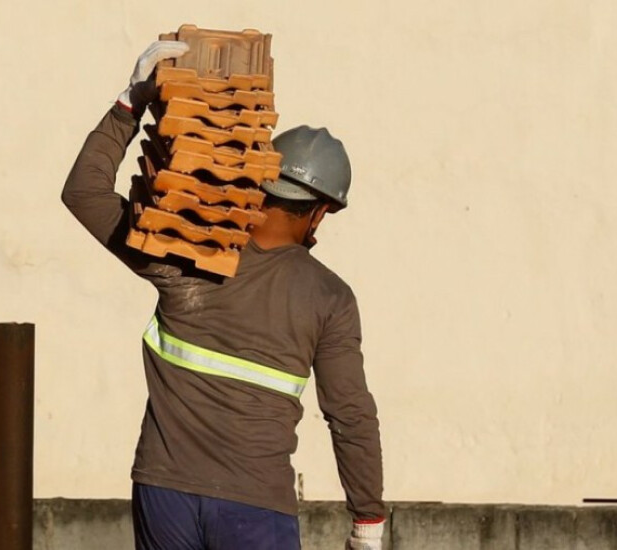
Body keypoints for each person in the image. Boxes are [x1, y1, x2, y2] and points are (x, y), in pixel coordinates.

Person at [62, 40, 385, 550]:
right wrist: (367, 519)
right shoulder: (329, 298)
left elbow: (83, 192)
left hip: (163, 491)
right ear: (320, 211)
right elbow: (349, 414)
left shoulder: (183, 249)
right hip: (256, 506)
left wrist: (131, 102)